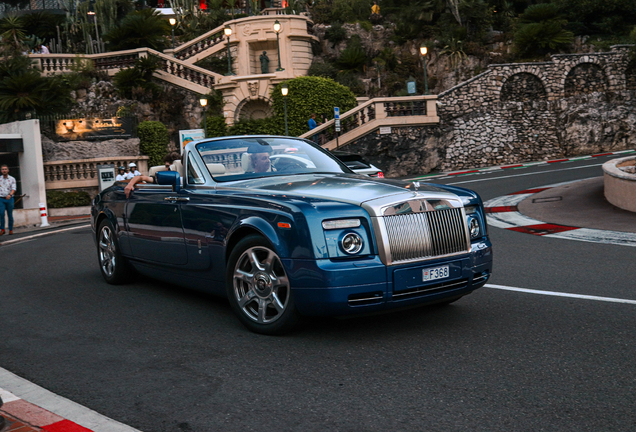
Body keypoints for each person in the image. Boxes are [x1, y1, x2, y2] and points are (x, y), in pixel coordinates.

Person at [0, 164, 16, 236]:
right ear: (1, 171)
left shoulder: (12, 179)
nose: (4, 170)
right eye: (3, 169)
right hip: (1, 198)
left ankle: (10, 229)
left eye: (5, 169)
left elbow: (14, 188)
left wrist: (10, 195)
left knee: (10, 214)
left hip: (9, 199)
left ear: (8, 170)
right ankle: (2, 229)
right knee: (1, 213)